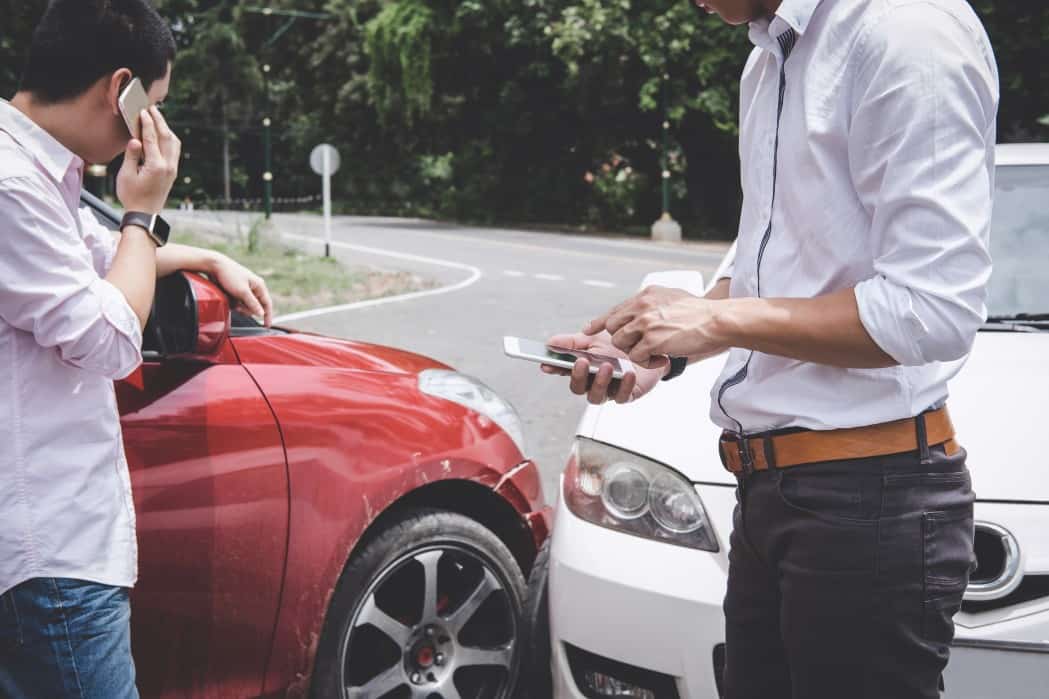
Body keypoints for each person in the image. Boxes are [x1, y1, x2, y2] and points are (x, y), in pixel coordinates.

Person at [545, 0, 998, 697]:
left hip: (866, 501)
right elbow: (771, 269)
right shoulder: (767, 61)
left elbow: (928, 311)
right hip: (770, 497)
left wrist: (715, 325)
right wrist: (659, 348)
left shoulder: (905, 28)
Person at [0, 2, 273, 697]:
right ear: (116, 88)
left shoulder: (32, 171)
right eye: (152, 103)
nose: (155, 123)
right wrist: (143, 210)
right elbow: (109, 337)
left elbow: (103, 256)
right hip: (50, 562)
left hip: (48, 553)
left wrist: (204, 254)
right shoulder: (11, 187)